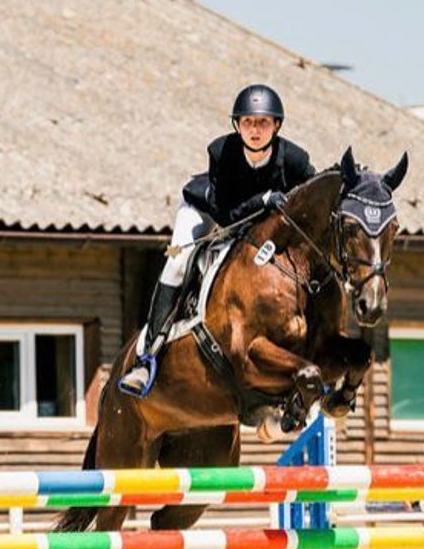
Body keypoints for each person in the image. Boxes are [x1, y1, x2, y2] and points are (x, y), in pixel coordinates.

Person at [118, 84, 316, 397]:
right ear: (237, 125)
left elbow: (311, 208)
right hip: (208, 211)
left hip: (260, 227)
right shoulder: (221, 152)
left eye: (263, 122)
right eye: (248, 122)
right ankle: (148, 357)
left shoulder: (295, 160)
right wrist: (264, 199)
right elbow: (225, 214)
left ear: (276, 125)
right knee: (177, 264)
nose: (255, 130)